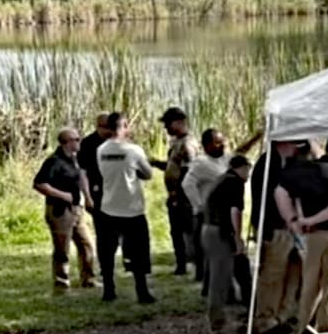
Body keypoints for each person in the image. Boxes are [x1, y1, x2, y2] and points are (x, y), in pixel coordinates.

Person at [278, 136, 328, 334]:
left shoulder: (302, 171)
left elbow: (281, 193)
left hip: (311, 239)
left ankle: (304, 330)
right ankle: (326, 333)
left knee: (310, 285)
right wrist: (309, 221)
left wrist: (294, 221)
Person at [183, 128, 262, 293]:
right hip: (212, 215)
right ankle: (221, 291)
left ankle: (214, 289)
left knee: (221, 255)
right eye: (217, 142)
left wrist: (256, 136)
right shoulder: (200, 163)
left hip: (227, 213)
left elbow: (240, 151)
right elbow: (187, 184)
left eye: (222, 140)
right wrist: (199, 205)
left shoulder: (226, 159)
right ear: (206, 145)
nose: (222, 144)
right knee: (219, 254)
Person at [95, 112, 156, 304]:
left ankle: (108, 289)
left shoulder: (101, 150)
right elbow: (147, 174)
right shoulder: (134, 151)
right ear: (124, 126)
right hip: (132, 208)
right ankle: (142, 290)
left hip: (108, 206)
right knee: (138, 252)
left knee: (107, 251)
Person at [251, 140, 308, 334]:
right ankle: (266, 319)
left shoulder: (287, 162)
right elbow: (273, 198)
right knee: (273, 274)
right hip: (275, 227)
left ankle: (284, 313)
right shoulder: (268, 164)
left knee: (294, 270)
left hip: (290, 227)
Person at [32, 128, 96, 292]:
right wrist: (62, 195)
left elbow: (81, 178)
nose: (79, 142)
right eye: (76, 139)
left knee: (87, 244)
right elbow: (39, 184)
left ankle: (88, 278)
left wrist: (86, 198)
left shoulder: (74, 160)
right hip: (59, 210)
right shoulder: (54, 161)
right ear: (67, 142)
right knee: (62, 248)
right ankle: (61, 283)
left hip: (77, 209)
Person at [202, 155, 252, 334]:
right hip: (219, 232)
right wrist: (238, 237)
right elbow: (234, 211)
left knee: (240, 267)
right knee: (220, 278)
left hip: (210, 229)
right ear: (242, 168)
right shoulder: (235, 182)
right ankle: (216, 321)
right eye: (248, 169)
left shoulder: (222, 179)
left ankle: (249, 306)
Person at [151, 107, 200, 276]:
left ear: (180, 122)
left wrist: (177, 194)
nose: (166, 128)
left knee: (190, 231)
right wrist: (157, 164)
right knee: (176, 231)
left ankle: (198, 267)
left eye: (168, 124)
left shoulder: (187, 144)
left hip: (183, 197)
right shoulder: (176, 143)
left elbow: (189, 172)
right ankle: (181, 265)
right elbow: (174, 167)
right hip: (176, 196)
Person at [76, 113, 112, 268]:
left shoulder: (115, 141)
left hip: (116, 191)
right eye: (104, 127)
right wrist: (87, 196)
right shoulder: (88, 144)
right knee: (102, 230)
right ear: (98, 126)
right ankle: (104, 262)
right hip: (97, 191)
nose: (108, 131)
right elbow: (82, 172)